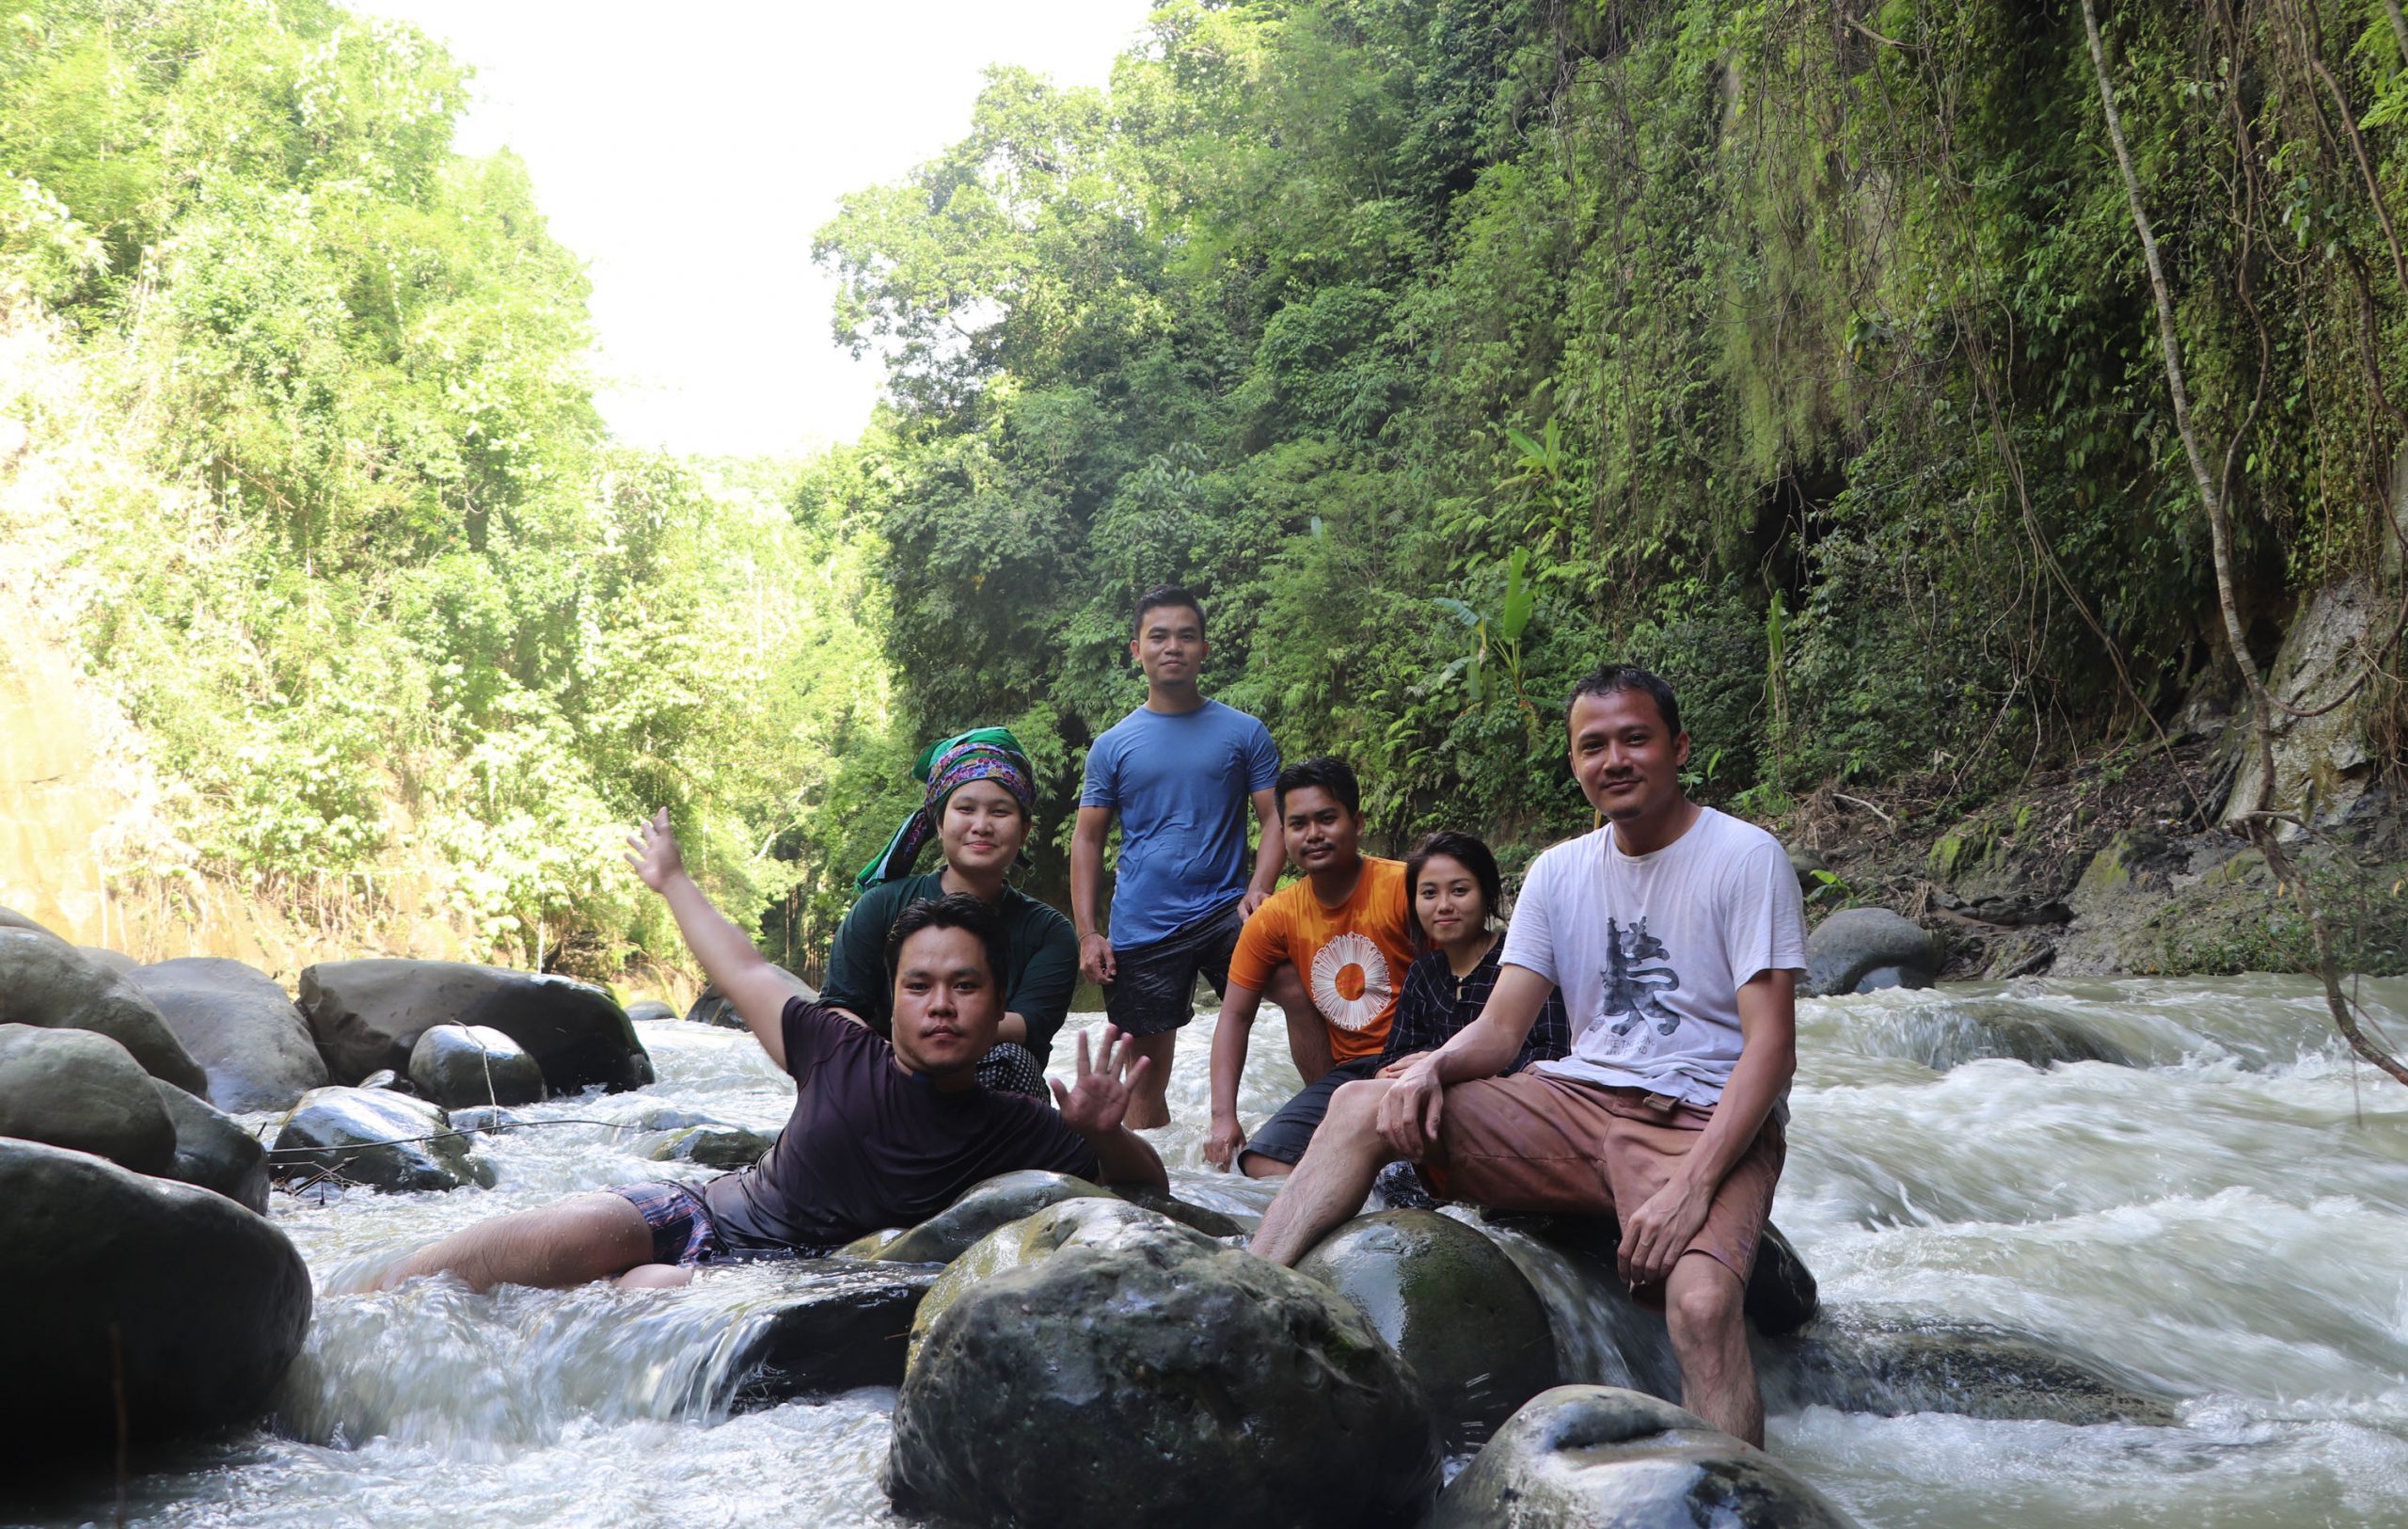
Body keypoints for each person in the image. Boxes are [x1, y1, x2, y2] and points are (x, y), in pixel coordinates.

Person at [1245, 666, 1805, 1448]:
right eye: (1593, 745)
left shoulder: (1745, 857)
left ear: (1678, 746)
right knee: (1361, 1101)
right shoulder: (1558, 870)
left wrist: (1694, 1186)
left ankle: (1733, 1495)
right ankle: (1247, 1294)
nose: (1614, 759)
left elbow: (1771, 1049)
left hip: (1701, 1115)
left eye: (1635, 738)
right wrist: (1434, 1065)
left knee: (1704, 1307)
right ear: (1575, 763)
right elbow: (1502, 1031)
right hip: (1574, 1102)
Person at [374, 814, 1164, 1293]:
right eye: (919, 985)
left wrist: (1103, 1132)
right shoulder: (834, 1045)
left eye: (965, 985)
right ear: (891, 1000)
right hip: (705, 1211)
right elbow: (746, 968)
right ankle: (368, 1296)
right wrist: (673, 879)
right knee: (560, 1239)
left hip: (778, 1277)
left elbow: (1148, 1187)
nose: (942, 1004)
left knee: (650, 1291)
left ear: (998, 1004)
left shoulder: (1020, 1125)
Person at [1072, 584, 1293, 1129]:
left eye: (1186, 636)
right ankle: (1153, 1198)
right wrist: (1087, 933)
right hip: (1143, 926)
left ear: (1204, 649)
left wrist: (1260, 886)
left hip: (1227, 911)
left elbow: (1277, 819)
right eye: (1159, 636)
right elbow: (1087, 840)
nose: (1173, 647)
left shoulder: (1244, 733)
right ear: (1136, 650)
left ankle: (1335, 1121)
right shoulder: (1113, 745)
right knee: (1144, 1083)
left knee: (1301, 994)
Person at [823, 727, 1076, 1095]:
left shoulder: (1049, 931)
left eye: (1001, 812)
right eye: (965, 809)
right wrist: (900, 1058)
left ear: (1024, 831)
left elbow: (1029, 1024)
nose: (982, 825)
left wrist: (926, 1039)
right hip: (883, 1079)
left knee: (1013, 1058)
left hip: (994, 1092)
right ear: (939, 823)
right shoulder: (880, 906)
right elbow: (837, 1010)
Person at [1203, 757, 1419, 1179]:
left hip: (1423, 1059)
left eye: (1326, 819)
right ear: (1283, 834)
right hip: (1352, 1075)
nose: (1313, 835)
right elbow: (1234, 1015)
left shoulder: (1407, 888)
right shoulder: (1275, 916)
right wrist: (1222, 1117)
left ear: (1356, 823)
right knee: (1262, 1163)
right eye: (1299, 824)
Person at [1373, 830, 1573, 1081]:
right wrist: (1395, 1073)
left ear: (1486, 893)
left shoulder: (1521, 960)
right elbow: (1392, 1059)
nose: (1443, 905)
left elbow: (1554, 1052)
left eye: (1459, 890)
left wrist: (1446, 1065)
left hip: (1512, 1104)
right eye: (1429, 894)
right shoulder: (1424, 973)